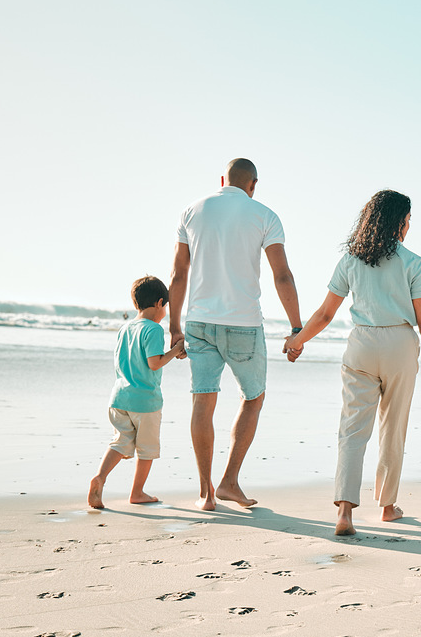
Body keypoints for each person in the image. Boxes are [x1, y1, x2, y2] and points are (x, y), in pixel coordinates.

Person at [284, 189, 421, 535]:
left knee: (352, 429)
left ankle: (345, 512)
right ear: (398, 222)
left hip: (361, 344)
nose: (408, 226)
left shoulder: (350, 260)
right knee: (393, 428)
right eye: (407, 220)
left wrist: (296, 341)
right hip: (399, 345)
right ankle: (388, 507)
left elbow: (324, 314)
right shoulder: (412, 262)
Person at [168, 158, 303, 511]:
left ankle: (205, 493)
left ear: (223, 179)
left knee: (203, 401)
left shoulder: (191, 211)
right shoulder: (265, 215)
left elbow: (178, 275)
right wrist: (296, 328)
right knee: (253, 397)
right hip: (243, 323)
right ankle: (229, 481)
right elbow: (282, 275)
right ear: (253, 185)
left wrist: (174, 326)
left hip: (198, 322)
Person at [89, 276, 185, 509]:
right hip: (145, 402)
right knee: (147, 449)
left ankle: (100, 478)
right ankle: (137, 492)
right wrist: (175, 351)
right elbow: (154, 363)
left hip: (119, 398)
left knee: (120, 443)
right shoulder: (153, 329)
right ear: (160, 303)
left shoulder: (125, 328)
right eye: (166, 307)